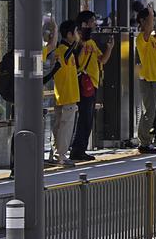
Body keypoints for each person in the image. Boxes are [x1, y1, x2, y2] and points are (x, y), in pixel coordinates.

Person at [68, 11, 114, 161]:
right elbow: (77, 61)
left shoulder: (92, 43)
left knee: (87, 118)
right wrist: (80, 42)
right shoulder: (78, 41)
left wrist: (110, 48)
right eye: (92, 21)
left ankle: (80, 149)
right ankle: (77, 150)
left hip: (92, 83)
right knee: (85, 118)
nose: (94, 24)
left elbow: (103, 60)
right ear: (85, 24)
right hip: (84, 84)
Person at [48, 20, 81, 167]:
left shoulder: (65, 51)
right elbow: (66, 56)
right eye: (75, 32)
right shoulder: (62, 49)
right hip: (66, 94)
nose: (77, 35)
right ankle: (61, 155)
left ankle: (56, 154)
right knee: (65, 127)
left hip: (65, 94)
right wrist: (76, 43)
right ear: (69, 34)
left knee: (59, 127)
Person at [134, 7, 156, 154]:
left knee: (151, 112)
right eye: (151, 18)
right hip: (149, 79)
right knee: (149, 112)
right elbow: (148, 28)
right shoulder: (142, 37)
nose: (154, 21)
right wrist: (150, 12)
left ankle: (146, 141)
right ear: (143, 21)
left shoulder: (152, 39)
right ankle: (144, 142)